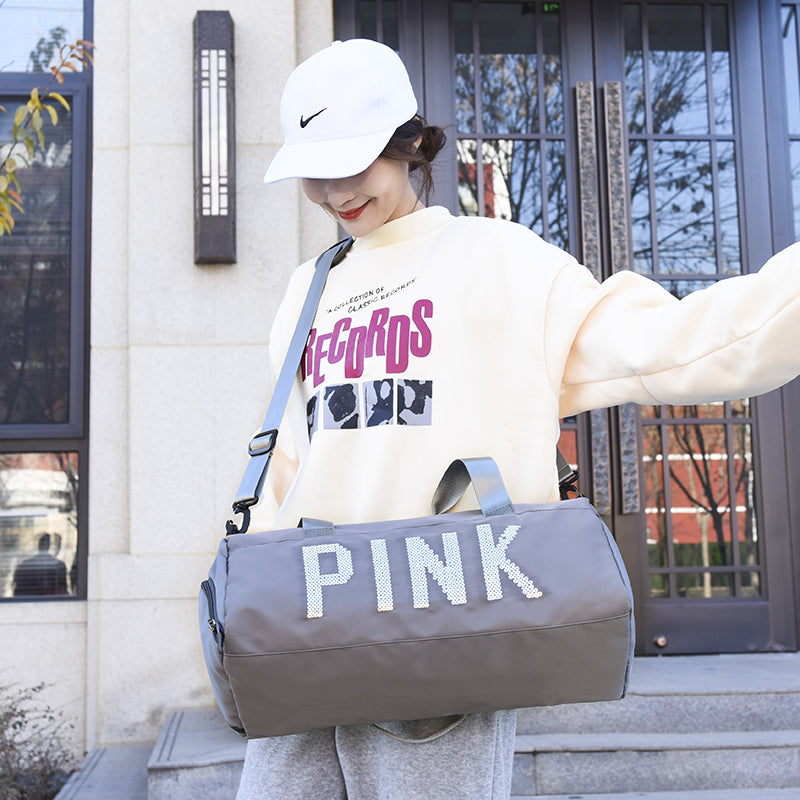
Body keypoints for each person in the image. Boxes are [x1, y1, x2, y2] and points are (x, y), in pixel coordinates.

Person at [235, 38, 800, 799]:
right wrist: (247, 616)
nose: (335, 191)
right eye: (316, 171)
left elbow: (672, 346)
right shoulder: (309, 287)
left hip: (441, 622)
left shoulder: (499, 261)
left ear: (408, 145)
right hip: (307, 626)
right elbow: (289, 466)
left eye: (353, 163)